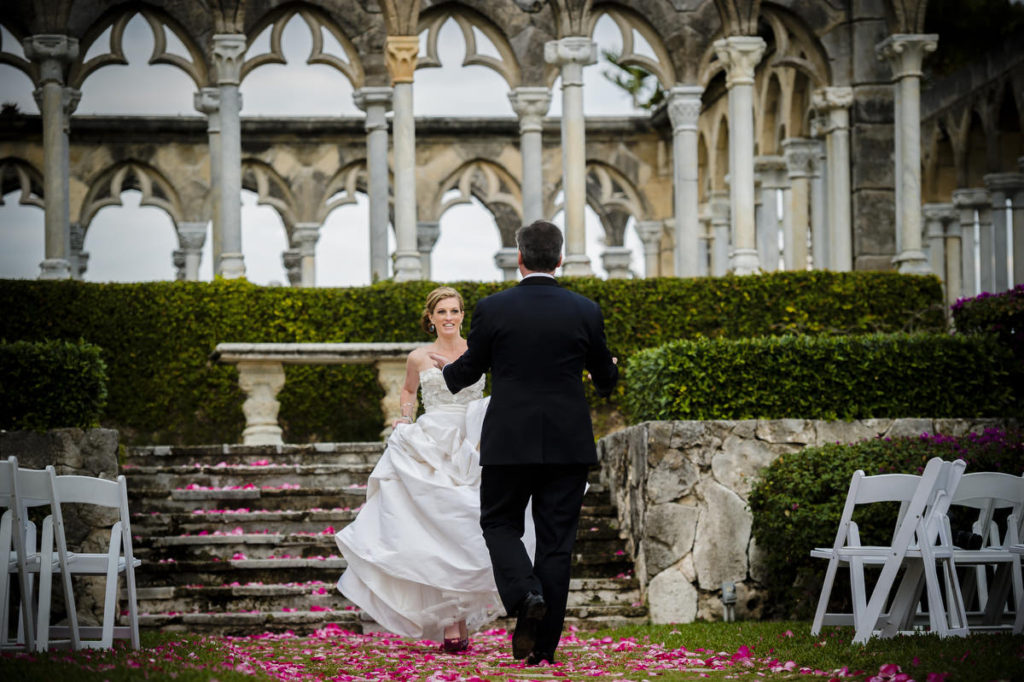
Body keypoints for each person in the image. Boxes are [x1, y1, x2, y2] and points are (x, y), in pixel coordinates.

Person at [430, 220, 618, 665]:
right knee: (556, 544)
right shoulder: (585, 310)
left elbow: (470, 369)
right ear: (559, 258)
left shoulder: (494, 309)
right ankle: (544, 647)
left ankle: (525, 593)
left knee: (499, 526)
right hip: (567, 444)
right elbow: (606, 379)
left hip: (509, 441)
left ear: (518, 259)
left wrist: (446, 371)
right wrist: (608, 365)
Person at [335, 286, 507, 652]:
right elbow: (409, 391)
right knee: (435, 532)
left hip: (472, 444)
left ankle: (462, 615)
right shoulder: (418, 357)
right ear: (430, 318)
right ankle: (451, 625)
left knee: (466, 530)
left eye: (455, 311)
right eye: (441, 312)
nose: (448, 317)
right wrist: (404, 418)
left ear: (463, 315)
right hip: (431, 444)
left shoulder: (480, 353)